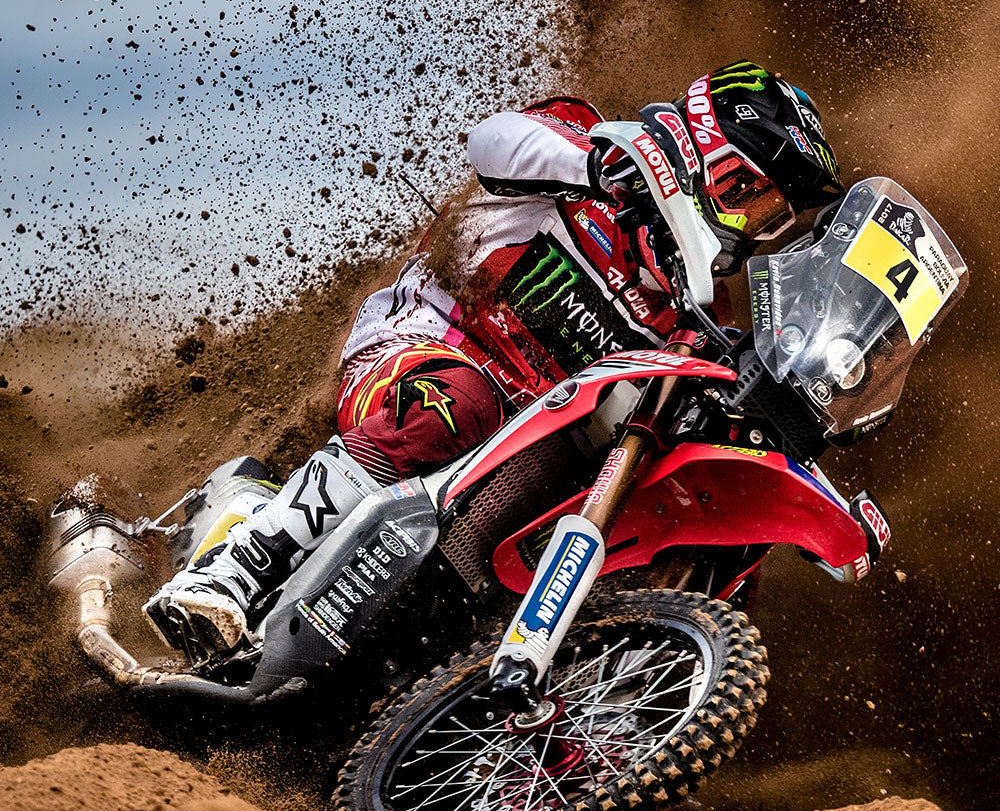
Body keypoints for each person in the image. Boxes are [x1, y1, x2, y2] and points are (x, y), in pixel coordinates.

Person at [143, 59, 846, 660]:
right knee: (459, 404)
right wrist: (598, 167)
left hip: (515, 447)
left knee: (522, 544)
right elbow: (492, 143)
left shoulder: (695, 316)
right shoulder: (585, 143)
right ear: (716, 159)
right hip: (423, 350)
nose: (757, 228)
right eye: (756, 200)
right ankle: (231, 571)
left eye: (775, 220)